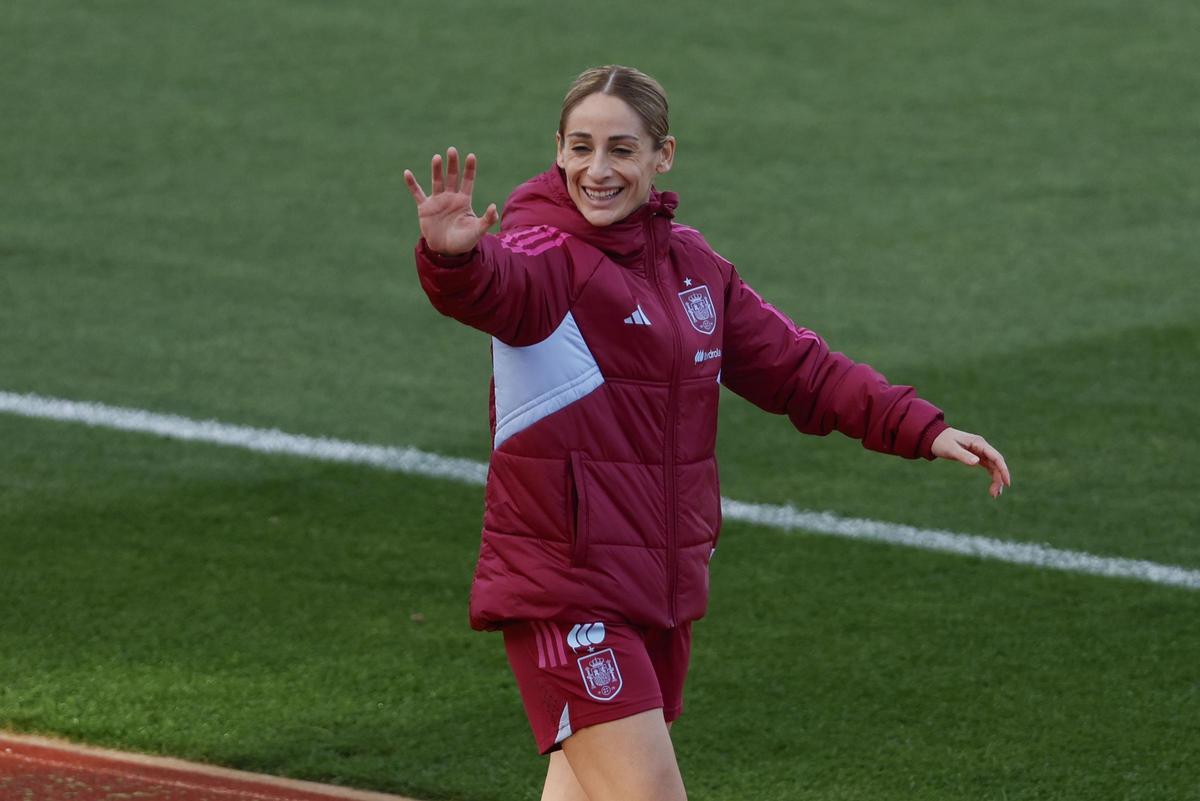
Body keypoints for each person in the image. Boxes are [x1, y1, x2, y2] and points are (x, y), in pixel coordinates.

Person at [403, 65, 1011, 801]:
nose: (598, 170)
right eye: (581, 147)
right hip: (565, 591)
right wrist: (454, 256)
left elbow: (800, 369)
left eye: (622, 150)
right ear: (557, 150)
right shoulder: (543, 250)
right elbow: (500, 285)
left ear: (663, 156)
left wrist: (920, 427)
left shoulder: (692, 267)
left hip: (657, 586)